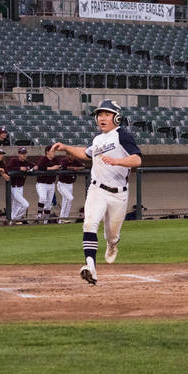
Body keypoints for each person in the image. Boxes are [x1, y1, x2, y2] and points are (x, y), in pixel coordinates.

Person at [50, 99, 142, 286]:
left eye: (107, 114)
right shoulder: (98, 140)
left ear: (116, 118)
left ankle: (112, 244)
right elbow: (86, 153)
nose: (102, 118)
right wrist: (66, 147)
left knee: (112, 235)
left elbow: (137, 160)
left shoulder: (122, 136)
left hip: (118, 194)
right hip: (97, 189)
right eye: (100, 115)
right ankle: (90, 266)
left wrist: (118, 161)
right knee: (90, 224)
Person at [34, 145, 61, 223]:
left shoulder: (55, 159)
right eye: (52, 151)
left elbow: (60, 165)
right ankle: (39, 213)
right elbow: (40, 167)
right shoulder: (43, 159)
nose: (54, 153)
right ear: (47, 152)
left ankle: (45, 221)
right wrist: (52, 168)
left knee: (49, 204)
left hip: (51, 184)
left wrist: (54, 167)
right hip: (42, 183)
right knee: (43, 198)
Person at [57, 150, 85, 223]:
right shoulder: (64, 160)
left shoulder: (75, 161)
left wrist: (77, 168)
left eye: (73, 155)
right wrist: (73, 168)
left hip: (70, 184)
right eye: (70, 155)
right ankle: (63, 218)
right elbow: (65, 167)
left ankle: (63, 219)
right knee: (70, 198)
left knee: (66, 201)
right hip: (62, 184)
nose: (72, 156)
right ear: (67, 155)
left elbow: (83, 166)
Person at [6, 147, 31, 223]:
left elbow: (35, 166)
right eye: (22, 153)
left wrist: (32, 167)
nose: (24, 155)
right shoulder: (14, 161)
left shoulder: (26, 162)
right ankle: (15, 219)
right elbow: (8, 168)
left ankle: (11, 222)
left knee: (16, 206)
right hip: (14, 187)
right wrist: (19, 168)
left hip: (21, 187)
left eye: (25, 153)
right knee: (25, 204)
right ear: (19, 154)